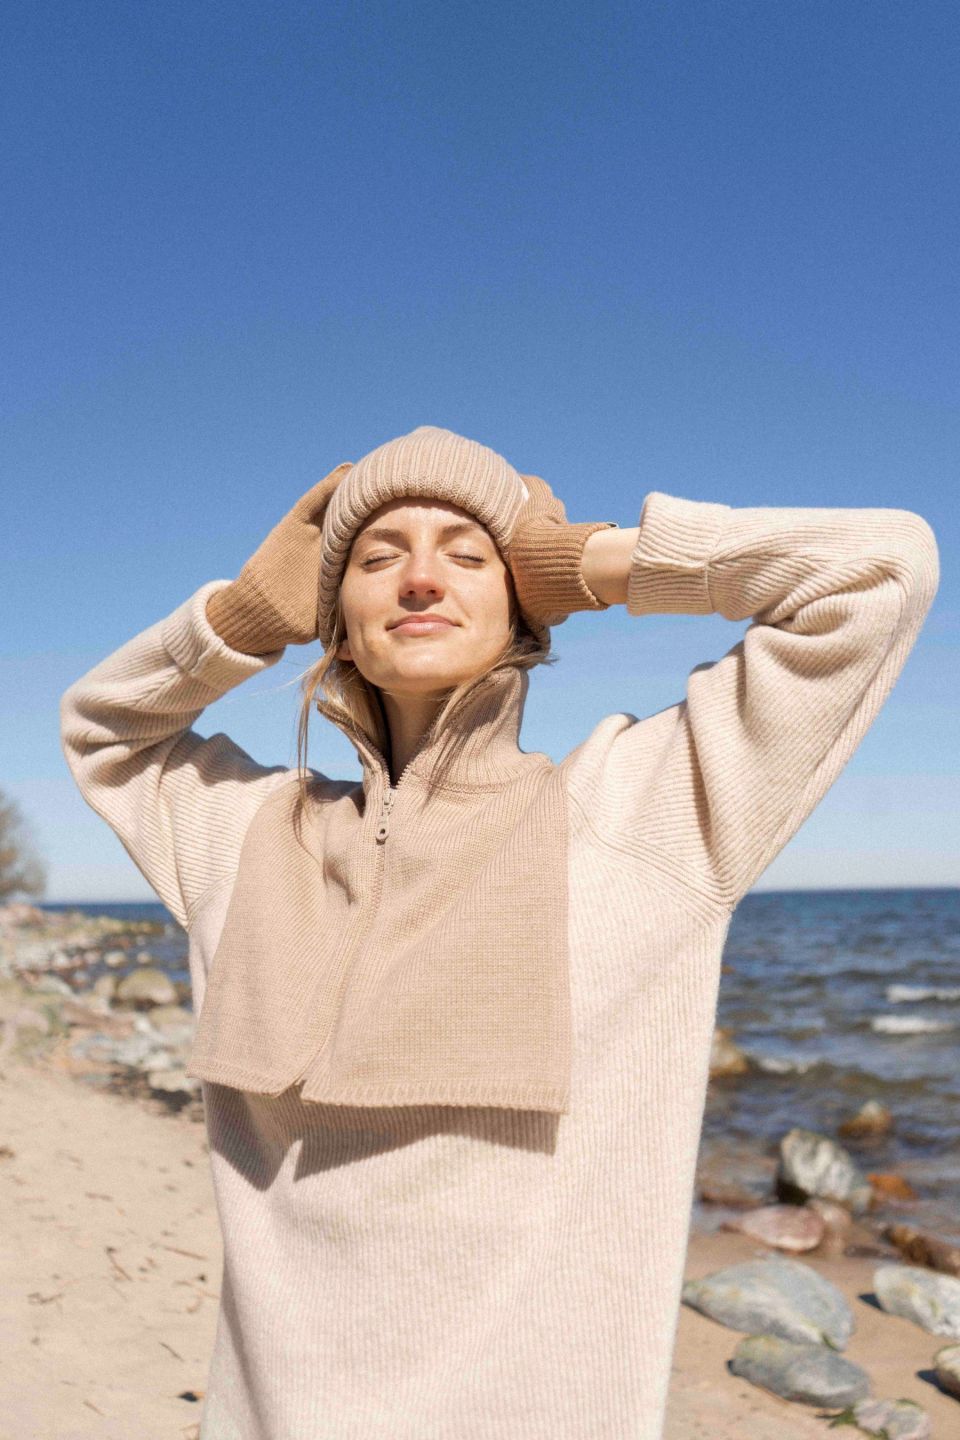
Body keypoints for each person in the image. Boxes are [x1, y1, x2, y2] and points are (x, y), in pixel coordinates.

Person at [60, 424, 939, 1439]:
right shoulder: (247, 836)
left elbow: (879, 568)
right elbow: (105, 727)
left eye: (472, 555)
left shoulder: (641, 816)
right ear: (332, 620)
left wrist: (589, 562)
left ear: (524, 600)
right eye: (378, 558)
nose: (422, 578)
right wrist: (251, 614)